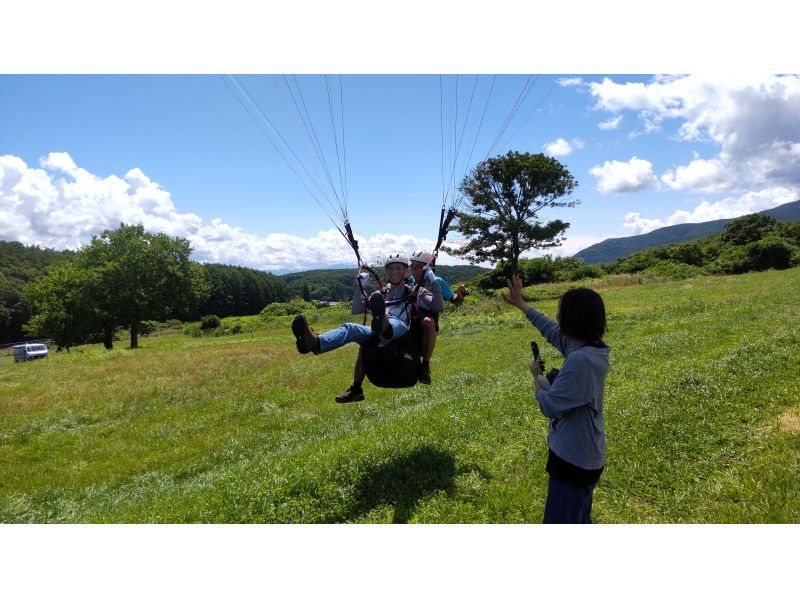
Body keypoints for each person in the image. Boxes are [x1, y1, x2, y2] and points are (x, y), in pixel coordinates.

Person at [504, 274, 610, 524]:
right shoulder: (587, 348)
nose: (556, 315)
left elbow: (549, 406)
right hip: (584, 454)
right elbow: (551, 331)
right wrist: (522, 304)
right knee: (578, 518)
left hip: (574, 459)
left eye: (560, 311)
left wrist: (537, 377)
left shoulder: (580, 361)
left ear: (572, 318)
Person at [292, 253, 443, 403]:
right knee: (351, 328)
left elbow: (437, 306)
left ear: (405, 271)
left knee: (393, 323)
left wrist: (432, 279)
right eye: (390, 269)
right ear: (386, 271)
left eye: (398, 268)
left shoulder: (416, 292)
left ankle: (385, 324)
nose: (394, 272)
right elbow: (356, 309)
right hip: (377, 332)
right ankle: (314, 342)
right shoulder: (380, 295)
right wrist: (360, 286)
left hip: (402, 333)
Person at [406, 250, 467, 384]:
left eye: (417, 267)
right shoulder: (409, 281)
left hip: (427, 319)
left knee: (428, 322)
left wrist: (460, 294)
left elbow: (454, 300)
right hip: (411, 317)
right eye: (412, 267)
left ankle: (425, 365)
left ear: (426, 268)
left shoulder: (436, 281)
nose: (414, 270)